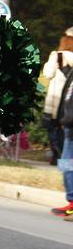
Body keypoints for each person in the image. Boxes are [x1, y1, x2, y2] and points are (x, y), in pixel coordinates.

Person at [49, 28, 73, 219]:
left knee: (67, 163)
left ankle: (72, 202)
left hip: (71, 125)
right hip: (68, 123)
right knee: (66, 163)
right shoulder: (68, 69)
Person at [41, 29, 73, 167]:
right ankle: (64, 163)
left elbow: (48, 74)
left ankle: (61, 162)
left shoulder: (57, 56)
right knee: (68, 135)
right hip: (70, 103)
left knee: (54, 131)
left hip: (57, 102)